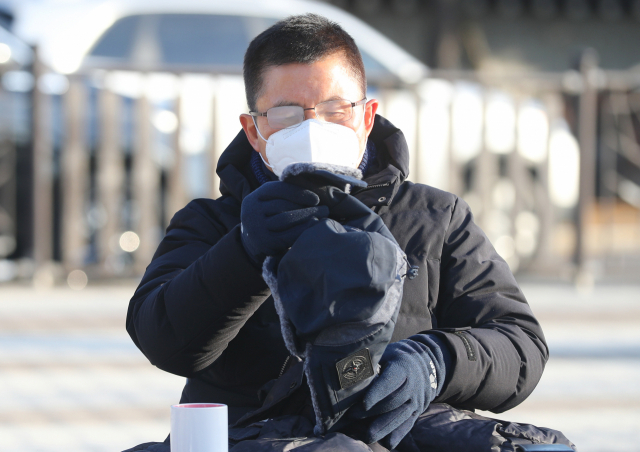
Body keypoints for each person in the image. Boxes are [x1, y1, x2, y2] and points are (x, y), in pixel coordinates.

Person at [126, 13, 548, 451]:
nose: (314, 129)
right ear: (254, 130)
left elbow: (521, 347)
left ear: (367, 117)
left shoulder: (434, 217)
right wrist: (244, 252)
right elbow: (162, 340)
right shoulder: (212, 224)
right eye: (287, 114)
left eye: (335, 110)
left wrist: (435, 362)